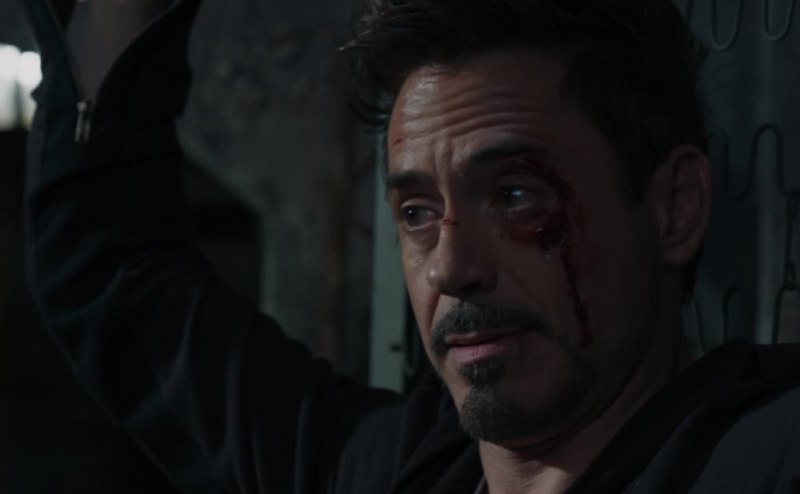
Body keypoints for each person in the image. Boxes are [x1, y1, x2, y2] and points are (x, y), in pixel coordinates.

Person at [24, 0, 800, 492]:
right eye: (418, 212)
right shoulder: (388, 471)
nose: (452, 269)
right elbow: (113, 271)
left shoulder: (761, 459)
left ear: (674, 209)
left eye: (516, 196)